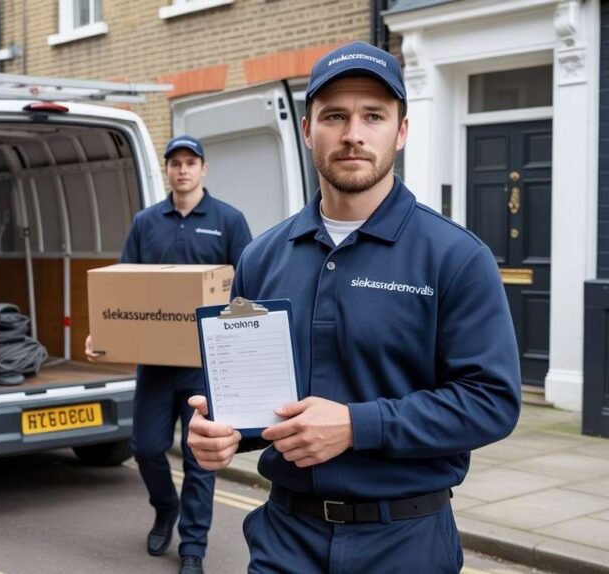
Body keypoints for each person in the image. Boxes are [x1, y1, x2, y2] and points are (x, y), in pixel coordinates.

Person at [186, 41, 521, 573]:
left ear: (401, 131)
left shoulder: (456, 257)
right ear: (306, 129)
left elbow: (492, 402)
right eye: (335, 115)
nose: (353, 135)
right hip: (285, 540)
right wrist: (224, 434)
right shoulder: (261, 257)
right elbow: (256, 400)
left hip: (404, 544)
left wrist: (357, 425)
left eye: (374, 116)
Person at [87, 135, 253, 574]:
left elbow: (247, 289)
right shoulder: (146, 222)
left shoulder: (228, 221)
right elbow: (121, 286)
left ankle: (193, 548)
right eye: (175, 163)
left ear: (204, 169)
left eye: (190, 162)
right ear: (167, 170)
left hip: (204, 367)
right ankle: (165, 507)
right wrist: (103, 336)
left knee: (199, 459)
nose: (182, 169)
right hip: (156, 365)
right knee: (145, 446)